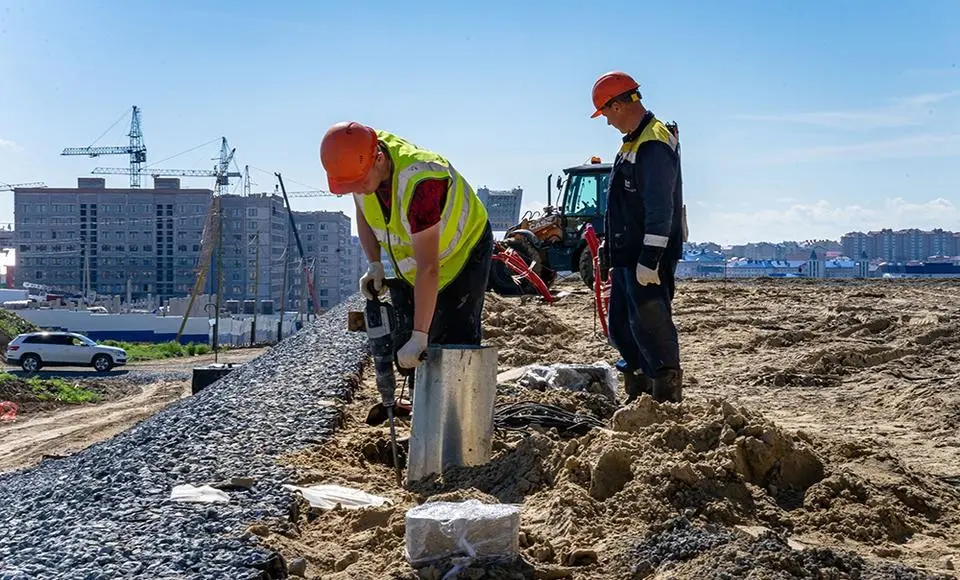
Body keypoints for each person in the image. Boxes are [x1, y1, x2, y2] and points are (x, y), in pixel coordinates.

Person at [319, 121, 494, 371]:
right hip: (420, 261)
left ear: (379, 160)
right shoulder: (358, 162)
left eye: (359, 183)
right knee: (408, 342)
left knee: (454, 340)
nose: (356, 189)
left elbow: (429, 268)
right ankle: (419, 395)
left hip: (464, 250)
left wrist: (420, 336)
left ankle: (455, 401)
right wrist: (374, 263)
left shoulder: (422, 181)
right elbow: (363, 211)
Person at [590, 71, 686, 404]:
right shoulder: (631, 141)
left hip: (646, 257)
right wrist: (608, 247)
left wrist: (651, 258)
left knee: (651, 325)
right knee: (622, 326)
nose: (606, 123)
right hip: (627, 254)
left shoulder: (653, 142)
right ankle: (639, 394)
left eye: (605, 114)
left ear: (617, 105)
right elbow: (621, 203)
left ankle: (664, 398)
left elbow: (660, 206)